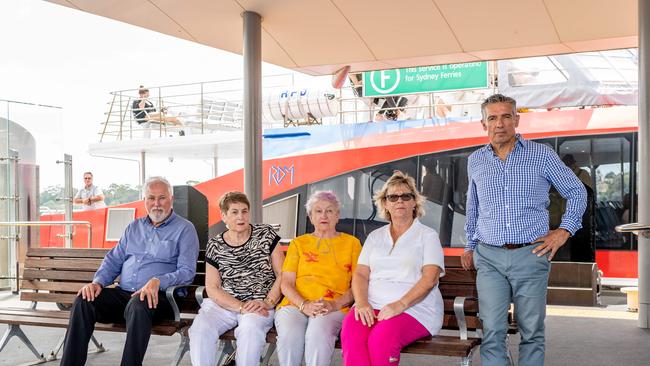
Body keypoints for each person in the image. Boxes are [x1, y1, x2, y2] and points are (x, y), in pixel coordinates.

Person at [462, 94, 587, 366]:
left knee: (531, 332)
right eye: (492, 118)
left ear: (516, 119)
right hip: (489, 257)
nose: (500, 124)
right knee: (492, 331)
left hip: (531, 255)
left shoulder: (542, 155)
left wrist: (563, 230)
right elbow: (473, 206)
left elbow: (577, 191)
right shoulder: (475, 161)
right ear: (483, 124)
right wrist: (470, 245)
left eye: (506, 116)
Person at [60, 176, 200, 366]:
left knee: (138, 302)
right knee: (84, 300)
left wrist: (158, 280)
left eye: (162, 198)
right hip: (124, 294)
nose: (156, 204)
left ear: (171, 199)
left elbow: (187, 271)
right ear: (144, 201)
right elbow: (113, 259)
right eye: (151, 198)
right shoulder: (133, 228)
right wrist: (97, 282)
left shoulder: (185, 229)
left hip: (158, 299)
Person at [341, 171, 445, 366]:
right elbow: (361, 274)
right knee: (351, 332)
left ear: (415, 202)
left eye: (406, 196)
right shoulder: (375, 237)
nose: (400, 201)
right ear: (385, 203)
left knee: (381, 339)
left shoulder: (427, 236)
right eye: (393, 197)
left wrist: (399, 305)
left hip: (414, 309)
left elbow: (429, 279)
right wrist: (362, 302)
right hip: (371, 305)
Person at [188, 191, 284, 366]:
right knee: (200, 329)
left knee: (250, 331)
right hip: (224, 304)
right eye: (234, 212)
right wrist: (240, 307)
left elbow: (282, 274)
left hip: (259, 304)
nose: (241, 216)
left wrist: (268, 302)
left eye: (244, 211)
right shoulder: (215, 244)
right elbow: (213, 287)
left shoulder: (266, 235)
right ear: (224, 215)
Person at [274, 191, 361, 366]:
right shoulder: (299, 243)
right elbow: (287, 283)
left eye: (329, 211)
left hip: (334, 305)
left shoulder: (352, 243)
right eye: (318, 211)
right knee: (289, 334)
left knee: (318, 334)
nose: (324, 216)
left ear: (337, 216)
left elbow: (359, 284)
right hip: (295, 304)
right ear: (310, 216)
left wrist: (335, 304)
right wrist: (304, 304)